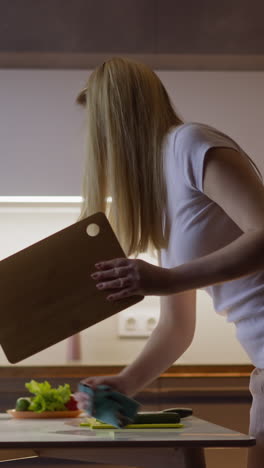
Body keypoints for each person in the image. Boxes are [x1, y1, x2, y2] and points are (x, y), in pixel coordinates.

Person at [74, 57, 264, 468]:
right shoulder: (161, 195)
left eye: (99, 132)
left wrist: (170, 278)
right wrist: (127, 382)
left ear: (119, 122)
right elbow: (177, 326)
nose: (99, 148)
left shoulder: (191, 145)